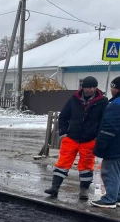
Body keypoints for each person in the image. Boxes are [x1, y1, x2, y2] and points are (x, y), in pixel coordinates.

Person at [45, 76, 108, 200]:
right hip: (71, 138)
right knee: (62, 164)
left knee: (86, 166)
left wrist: (97, 137)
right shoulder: (74, 99)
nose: (91, 89)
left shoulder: (102, 101)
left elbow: (104, 121)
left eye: (94, 87)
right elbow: (63, 117)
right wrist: (63, 133)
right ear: (83, 88)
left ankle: (83, 191)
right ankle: (54, 188)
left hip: (89, 139)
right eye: (89, 87)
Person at [91, 76, 120, 208]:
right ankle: (117, 197)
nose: (111, 89)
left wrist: (100, 146)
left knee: (109, 172)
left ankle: (109, 199)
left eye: (113, 86)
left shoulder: (115, 105)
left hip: (114, 146)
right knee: (118, 172)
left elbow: (109, 128)